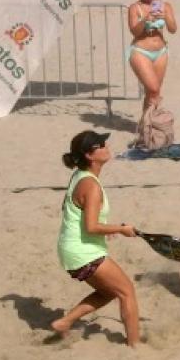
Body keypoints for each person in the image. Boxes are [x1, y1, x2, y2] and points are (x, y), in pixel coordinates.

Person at [53, 131, 141, 346]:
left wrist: (107, 228)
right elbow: (91, 226)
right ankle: (135, 345)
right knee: (127, 292)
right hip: (83, 251)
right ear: (89, 155)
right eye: (99, 145)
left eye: (103, 142)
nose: (105, 146)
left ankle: (65, 322)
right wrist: (120, 229)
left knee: (107, 291)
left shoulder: (79, 175)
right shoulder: (91, 186)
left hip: (71, 249)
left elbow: (79, 215)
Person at [128, 0, 176, 116]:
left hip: (160, 52)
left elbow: (173, 30)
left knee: (153, 93)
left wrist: (165, 17)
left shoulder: (165, 6)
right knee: (154, 89)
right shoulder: (135, 7)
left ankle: (147, 123)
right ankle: (148, 122)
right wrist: (144, 20)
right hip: (140, 51)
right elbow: (134, 32)